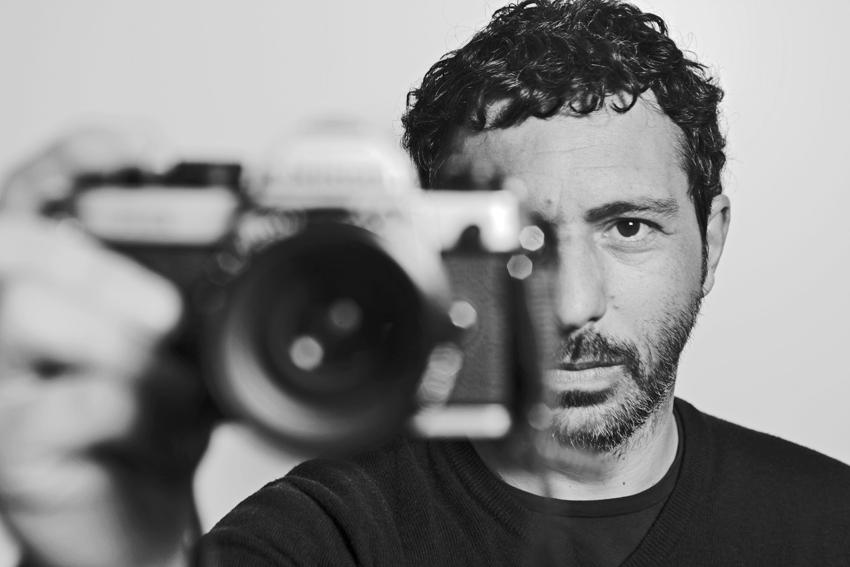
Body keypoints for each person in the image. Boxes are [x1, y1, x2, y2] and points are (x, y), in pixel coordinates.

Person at [0, 0, 848, 566]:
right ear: (430, 254)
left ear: (713, 238)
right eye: (525, 241)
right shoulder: (321, 533)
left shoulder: (830, 520)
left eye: (628, 226)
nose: (573, 303)